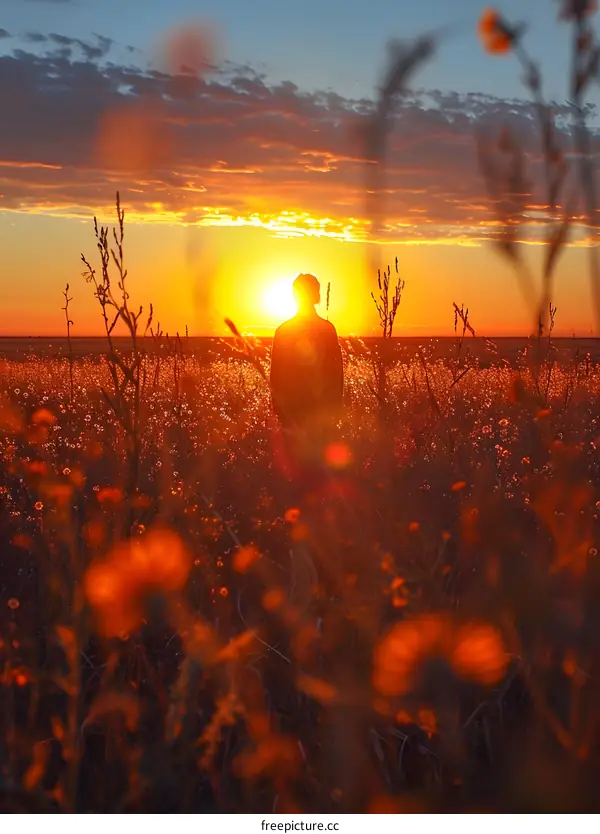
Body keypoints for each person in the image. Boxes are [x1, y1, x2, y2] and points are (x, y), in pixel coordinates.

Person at [270, 273, 343, 433]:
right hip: (320, 412)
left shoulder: (283, 331)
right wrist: (335, 408)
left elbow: (275, 377)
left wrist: (278, 411)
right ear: (316, 295)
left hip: (292, 413)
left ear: (294, 296)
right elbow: (336, 374)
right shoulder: (327, 329)